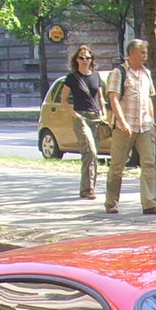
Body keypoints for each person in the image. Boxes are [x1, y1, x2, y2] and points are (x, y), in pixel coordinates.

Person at [103, 38, 156, 216]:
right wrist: (122, 122)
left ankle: (149, 203)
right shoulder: (119, 72)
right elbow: (113, 98)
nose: (145, 56)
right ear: (132, 53)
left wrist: (153, 123)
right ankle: (111, 202)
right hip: (125, 126)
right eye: (142, 53)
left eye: (146, 53)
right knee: (117, 165)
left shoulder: (146, 73)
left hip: (145, 126)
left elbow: (149, 99)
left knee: (149, 163)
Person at [58, 46, 105, 200]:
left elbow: (100, 97)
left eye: (87, 58)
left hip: (96, 117)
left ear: (92, 60)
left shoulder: (96, 76)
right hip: (81, 118)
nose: (85, 60)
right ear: (76, 60)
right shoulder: (72, 78)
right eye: (82, 58)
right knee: (89, 150)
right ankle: (88, 188)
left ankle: (88, 187)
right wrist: (75, 115)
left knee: (93, 154)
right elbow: (64, 100)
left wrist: (103, 113)